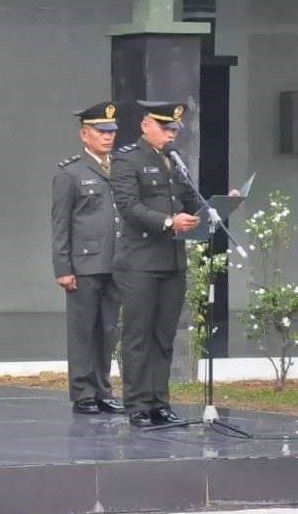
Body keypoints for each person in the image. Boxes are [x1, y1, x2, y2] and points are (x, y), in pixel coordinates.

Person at [109, 100, 201, 428]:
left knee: (164, 336)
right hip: (140, 261)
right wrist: (168, 222)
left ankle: (160, 402)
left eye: (174, 129)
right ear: (146, 125)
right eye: (165, 128)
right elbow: (129, 206)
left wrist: (215, 206)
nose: (171, 134)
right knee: (138, 335)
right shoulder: (127, 159)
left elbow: (189, 199)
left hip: (172, 261)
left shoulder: (175, 159)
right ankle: (137, 404)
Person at [50, 101, 125, 415]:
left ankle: (102, 389)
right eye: (100, 131)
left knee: (107, 329)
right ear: (84, 134)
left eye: (111, 131)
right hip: (84, 263)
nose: (108, 137)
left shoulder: (121, 168)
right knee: (83, 330)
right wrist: (63, 267)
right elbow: (60, 224)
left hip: (116, 261)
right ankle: (83, 392)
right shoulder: (71, 173)